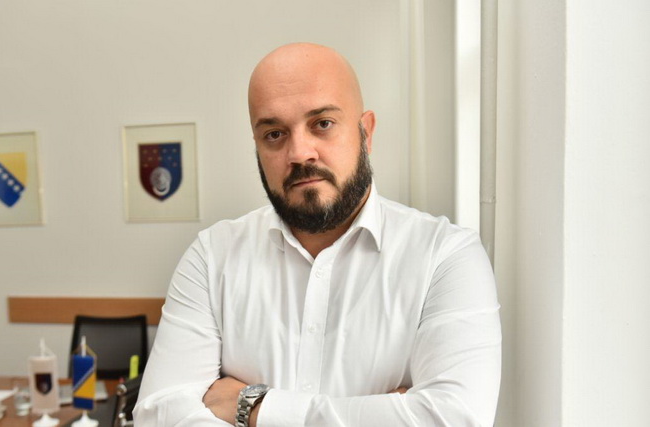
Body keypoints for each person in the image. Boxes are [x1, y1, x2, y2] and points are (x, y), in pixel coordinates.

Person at [134, 43, 501, 426]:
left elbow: (454, 418)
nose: (299, 152)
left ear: (366, 132)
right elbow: (159, 416)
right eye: (274, 133)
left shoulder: (445, 256)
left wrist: (253, 407)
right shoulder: (212, 257)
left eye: (322, 124)